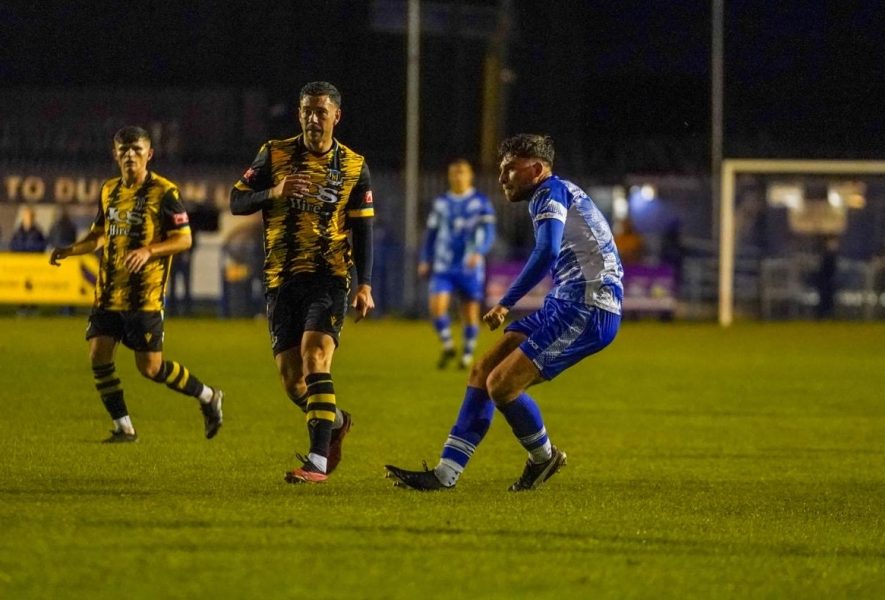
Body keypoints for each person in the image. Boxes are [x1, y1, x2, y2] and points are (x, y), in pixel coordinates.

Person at [386, 134, 623, 492]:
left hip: (588, 307)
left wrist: (505, 302)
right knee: (484, 370)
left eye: (510, 169)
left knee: (501, 385)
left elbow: (546, 252)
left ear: (537, 169)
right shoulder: (558, 191)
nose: (502, 178)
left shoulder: (548, 192)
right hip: (564, 301)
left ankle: (543, 458)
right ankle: (444, 474)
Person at [230, 81, 375, 484]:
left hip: (330, 276)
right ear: (299, 114)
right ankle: (338, 421)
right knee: (293, 382)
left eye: (321, 111)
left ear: (336, 116)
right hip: (281, 279)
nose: (313, 118)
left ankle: (317, 462)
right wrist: (274, 191)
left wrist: (365, 284)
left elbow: (363, 230)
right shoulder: (273, 154)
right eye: (307, 111)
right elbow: (236, 200)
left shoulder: (354, 166)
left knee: (316, 358)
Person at [49, 126, 224, 443]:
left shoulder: (165, 192)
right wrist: (70, 250)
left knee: (151, 369)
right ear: (115, 154)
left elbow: (184, 239)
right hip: (108, 294)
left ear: (149, 154)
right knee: (98, 356)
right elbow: (98, 235)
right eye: (124, 150)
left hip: (144, 297)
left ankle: (209, 396)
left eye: (137, 149)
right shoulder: (108, 190)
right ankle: (124, 427)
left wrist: (148, 251)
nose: (130, 155)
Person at [418, 158, 496, 370]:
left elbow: (489, 233)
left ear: (470, 176)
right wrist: (425, 259)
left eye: (462, 172)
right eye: (454, 173)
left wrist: (479, 251)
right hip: (443, 265)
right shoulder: (441, 202)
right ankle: (448, 345)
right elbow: (431, 234)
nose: (458, 177)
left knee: (469, 313)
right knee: (436, 308)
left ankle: (467, 354)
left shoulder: (481, 202)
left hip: (469, 267)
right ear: (450, 176)